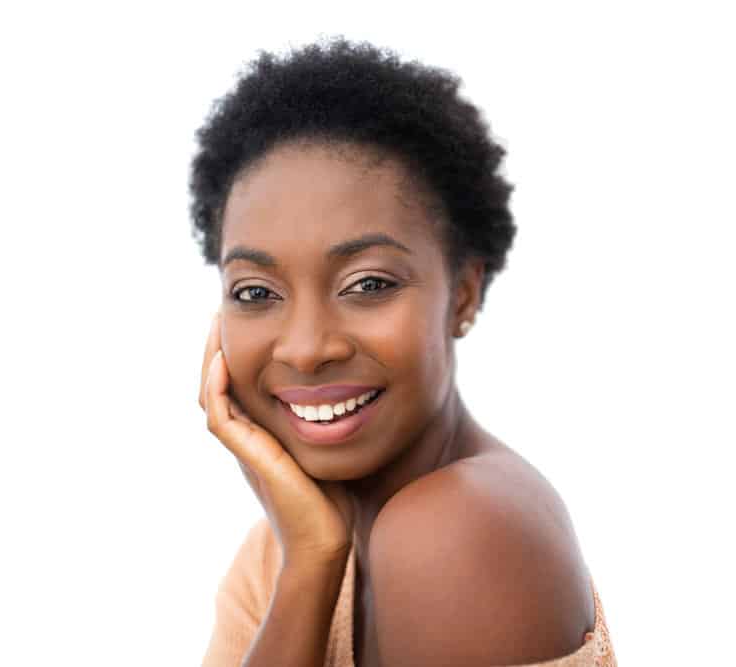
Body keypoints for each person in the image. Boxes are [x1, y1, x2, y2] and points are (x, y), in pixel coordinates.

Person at [191, 37, 617, 667]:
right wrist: (309, 562)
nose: (307, 349)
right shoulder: (284, 546)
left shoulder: (458, 529)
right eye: (256, 291)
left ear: (463, 295)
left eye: (368, 284)